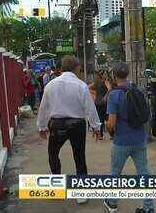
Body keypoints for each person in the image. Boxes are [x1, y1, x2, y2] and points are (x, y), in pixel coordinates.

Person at [37, 55, 101, 204]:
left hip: (57, 125)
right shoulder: (81, 85)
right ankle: (81, 193)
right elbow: (89, 108)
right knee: (79, 157)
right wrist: (96, 127)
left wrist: (41, 126)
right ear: (76, 68)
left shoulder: (51, 85)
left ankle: (57, 188)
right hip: (77, 125)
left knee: (53, 154)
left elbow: (44, 108)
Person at [104, 62, 154, 213]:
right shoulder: (136, 89)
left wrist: (106, 126)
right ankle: (148, 207)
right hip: (139, 139)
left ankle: (112, 203)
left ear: (114, 75)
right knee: (144, 173)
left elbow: (111, 124)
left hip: (122, 141)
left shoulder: (114, 95)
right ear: (127, 74)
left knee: (115, 172)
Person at [88, 70, 111, 140]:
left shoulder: (105, 82)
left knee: (105, 118)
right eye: (105, 74)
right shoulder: (100, 83)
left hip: (102, 103)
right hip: (101, 103)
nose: (106, 75)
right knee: (102, 119)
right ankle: (101, 134)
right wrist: (94, 94)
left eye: (106, 74)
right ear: (101, 75)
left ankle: (104, 134)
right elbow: (88, 87)